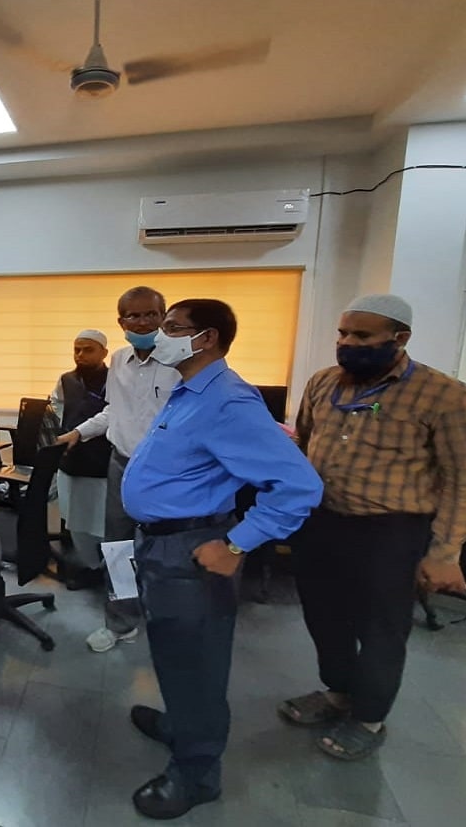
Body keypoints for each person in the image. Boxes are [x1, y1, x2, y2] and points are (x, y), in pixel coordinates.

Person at [118, 298, 322, 820]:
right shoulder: (190, 390)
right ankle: (180, 725)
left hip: (193, 548)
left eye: (171, 327)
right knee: (173, 650)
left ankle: (197, 773)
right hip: (161, 544)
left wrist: (236, 545)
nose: (157, 335)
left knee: (197, 663)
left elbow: (298, 486)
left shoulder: (228, 401)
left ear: (206, 338)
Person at [279, 293, 466, 761]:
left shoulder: (447, 396)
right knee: (324, 617)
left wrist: (446, 552)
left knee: (381, 629)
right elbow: (303, 442)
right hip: (321, 522)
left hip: (390, 531)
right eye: (343, 333)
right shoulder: (323, 383)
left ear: (399, 337)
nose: (348, 342)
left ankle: (368, 718)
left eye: (362, 335)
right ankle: (338, 693)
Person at [54, 286, 178, 653]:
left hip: (166, 472)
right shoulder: (121, 361)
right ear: (121, 322)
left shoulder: (181, 363)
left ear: (163, 317)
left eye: (150, 314)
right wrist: (78, 432)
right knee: (119, 548)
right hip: (122, 465)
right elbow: (114, 412)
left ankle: (168, 617)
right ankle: (122, 622)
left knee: (165, 548)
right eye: (133, 316)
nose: (142, 322)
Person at [50, 329, 112, 588]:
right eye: (77, 349)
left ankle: (112, 572)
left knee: (105, 522)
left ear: (104, 352)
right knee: (76, 520)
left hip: (104, 461)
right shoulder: (66, 379)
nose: (80, 355)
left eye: (88, 350)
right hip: (72, 460)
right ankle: (91, 568)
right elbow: (56, 405)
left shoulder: (116, 380)